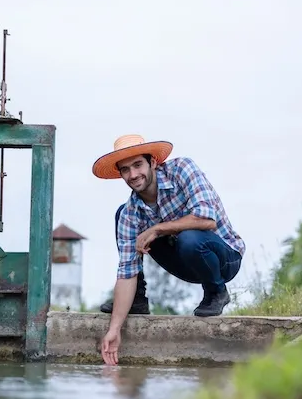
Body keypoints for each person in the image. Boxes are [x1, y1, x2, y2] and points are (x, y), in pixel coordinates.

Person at [92, 134, 245, 365]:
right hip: (185, 260)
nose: (133, 175)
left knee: (189, 238)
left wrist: (158, 229)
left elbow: (207, 220)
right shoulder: (131, 213)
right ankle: (138, 301)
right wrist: (114, 329)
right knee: (121, 212)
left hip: (223, 257)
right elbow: (127, 271)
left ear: (153, 162)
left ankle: (216, 292)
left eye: (137, 165)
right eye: (125, 170)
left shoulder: (183, 169)